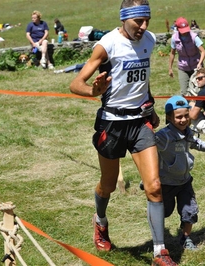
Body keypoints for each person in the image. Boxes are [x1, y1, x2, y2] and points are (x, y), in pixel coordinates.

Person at [69, 1, 177, 265]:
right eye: (138, 21)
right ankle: (100, 221)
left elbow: (144, 77)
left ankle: (159, 252)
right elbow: (75, 84)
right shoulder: (107, 45)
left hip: (139, 123)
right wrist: (94, 92)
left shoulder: (149, 40)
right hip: (112, 125)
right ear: (124, 19)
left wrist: (148, 103)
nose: (143, 27)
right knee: (108, 186)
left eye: (147, 20)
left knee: (154, 187)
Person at [156, 95, 205, 250]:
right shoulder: (163, 136)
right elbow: (147, 148)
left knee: (190, 210)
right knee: (164, 212)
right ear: (169, 118)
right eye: (178, 117)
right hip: (166, 183)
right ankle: (158, 238)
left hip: (184, 181)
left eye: (186, 116)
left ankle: (185, 238)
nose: (183, 120)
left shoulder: (187, 132)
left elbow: (194, 141)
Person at [168, 17, 205, 96]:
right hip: (183, 67)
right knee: (184, 92)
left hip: (196, 66)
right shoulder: (174, 38)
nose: (185, 33)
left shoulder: (194, 37)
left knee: (199, 90)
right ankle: (188, 107)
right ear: (177, 29)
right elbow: (172, 53)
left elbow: (203, 51)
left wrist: (200, 63)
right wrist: (170, 68)